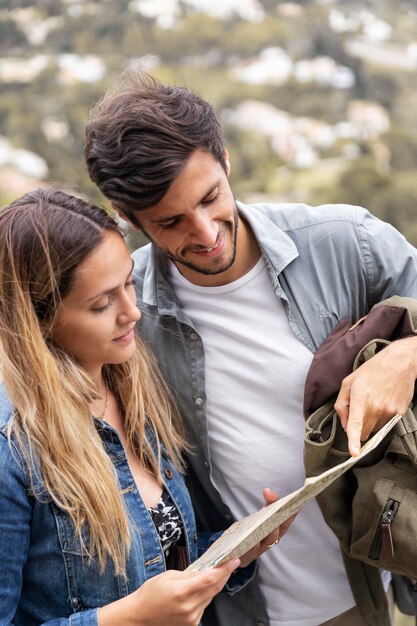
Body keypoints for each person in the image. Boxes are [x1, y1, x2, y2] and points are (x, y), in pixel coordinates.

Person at [84, 71, 417, 626]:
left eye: (211, 197)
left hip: (372, 588)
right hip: (242, 608)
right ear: (126, 216)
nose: (206, 232)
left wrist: (409, 355)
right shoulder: (125, 315)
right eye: (170, 223)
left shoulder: (346, 244)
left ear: (226, 159)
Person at [0, 188, 286, 626]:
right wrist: (126, 618)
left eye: (129, 282)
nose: (132, 312)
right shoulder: (12, 449)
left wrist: (233, 550)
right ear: (38, 320)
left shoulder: (130, 387)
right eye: (102, 304)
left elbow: (158, 561)